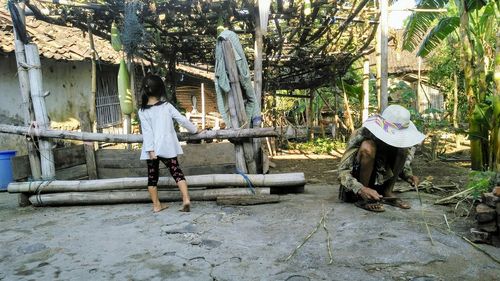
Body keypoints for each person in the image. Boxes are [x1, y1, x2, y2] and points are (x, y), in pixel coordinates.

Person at [338, 104, 425, 212]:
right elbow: (343, 171)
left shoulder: (398, 140)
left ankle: (387, 191)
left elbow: (400, 162)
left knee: (402, 149)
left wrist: (408, 176)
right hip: (356, 188)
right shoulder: (361, 134)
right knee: (368, 147)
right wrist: (361, 189)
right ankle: (363, 199)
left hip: (381, 183)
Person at [139, 74, 198, 213]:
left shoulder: (142, 111)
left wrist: (151, 150)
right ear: (161, 90)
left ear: (145, 90)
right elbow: (182, 120)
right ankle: (186, 199)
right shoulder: (167, 106)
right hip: (167, 147)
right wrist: (194, 130)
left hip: (151, 150)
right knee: (177, 172)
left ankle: (156, 205)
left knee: (152, 178)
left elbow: (147, 132)